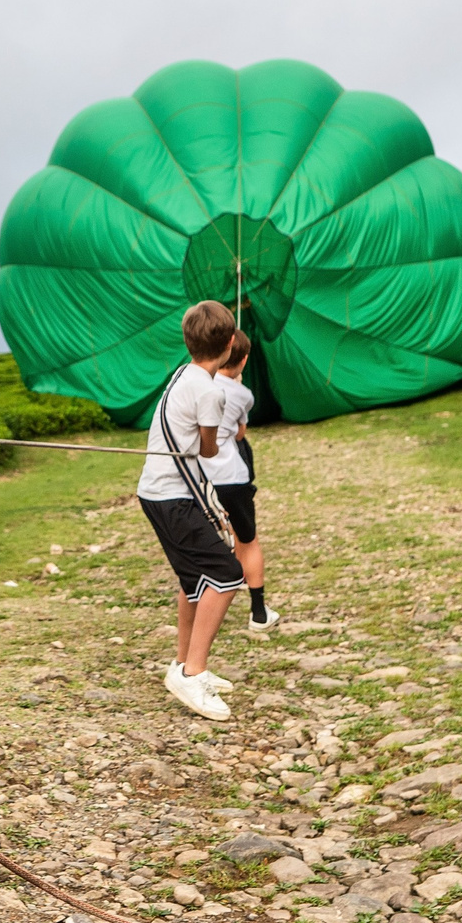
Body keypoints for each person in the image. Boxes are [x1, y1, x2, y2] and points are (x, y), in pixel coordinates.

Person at [138, 300, 245, 722]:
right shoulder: (212, 391)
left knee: (196, 580)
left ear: (187, 342)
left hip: (156, 493)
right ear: (231, 342)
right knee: (227, 576)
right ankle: (193, 672)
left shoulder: (183, 374)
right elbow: (208, 446)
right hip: (173, 497)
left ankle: (183, 664)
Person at [213, 331, 275, 634]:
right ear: (244, 359)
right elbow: (239, 434)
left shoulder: (194, 384)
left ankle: (207, 610)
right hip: (233, 479)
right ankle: (259, 612)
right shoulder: (243, 395)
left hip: (199, 479)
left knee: (209, 544)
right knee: (247, 541)